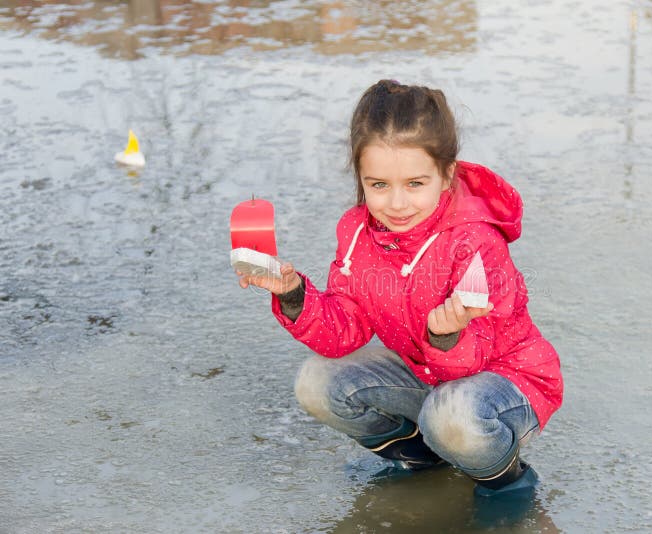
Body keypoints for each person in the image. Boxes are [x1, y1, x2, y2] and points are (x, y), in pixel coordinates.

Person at [237, 79, 563, 497]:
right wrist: (293, 295)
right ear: (361, 177)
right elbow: (345, 332)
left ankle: (506, 481)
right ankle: (423, 457)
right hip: (426, 376)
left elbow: (471, 362)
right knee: (316, 382)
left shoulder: (475, 243)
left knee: (451, 418)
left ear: (446, 175)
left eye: (414, 184)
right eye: (379, 185)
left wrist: (446, 335)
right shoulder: (357, 232)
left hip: (503, 383)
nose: (396, 204)